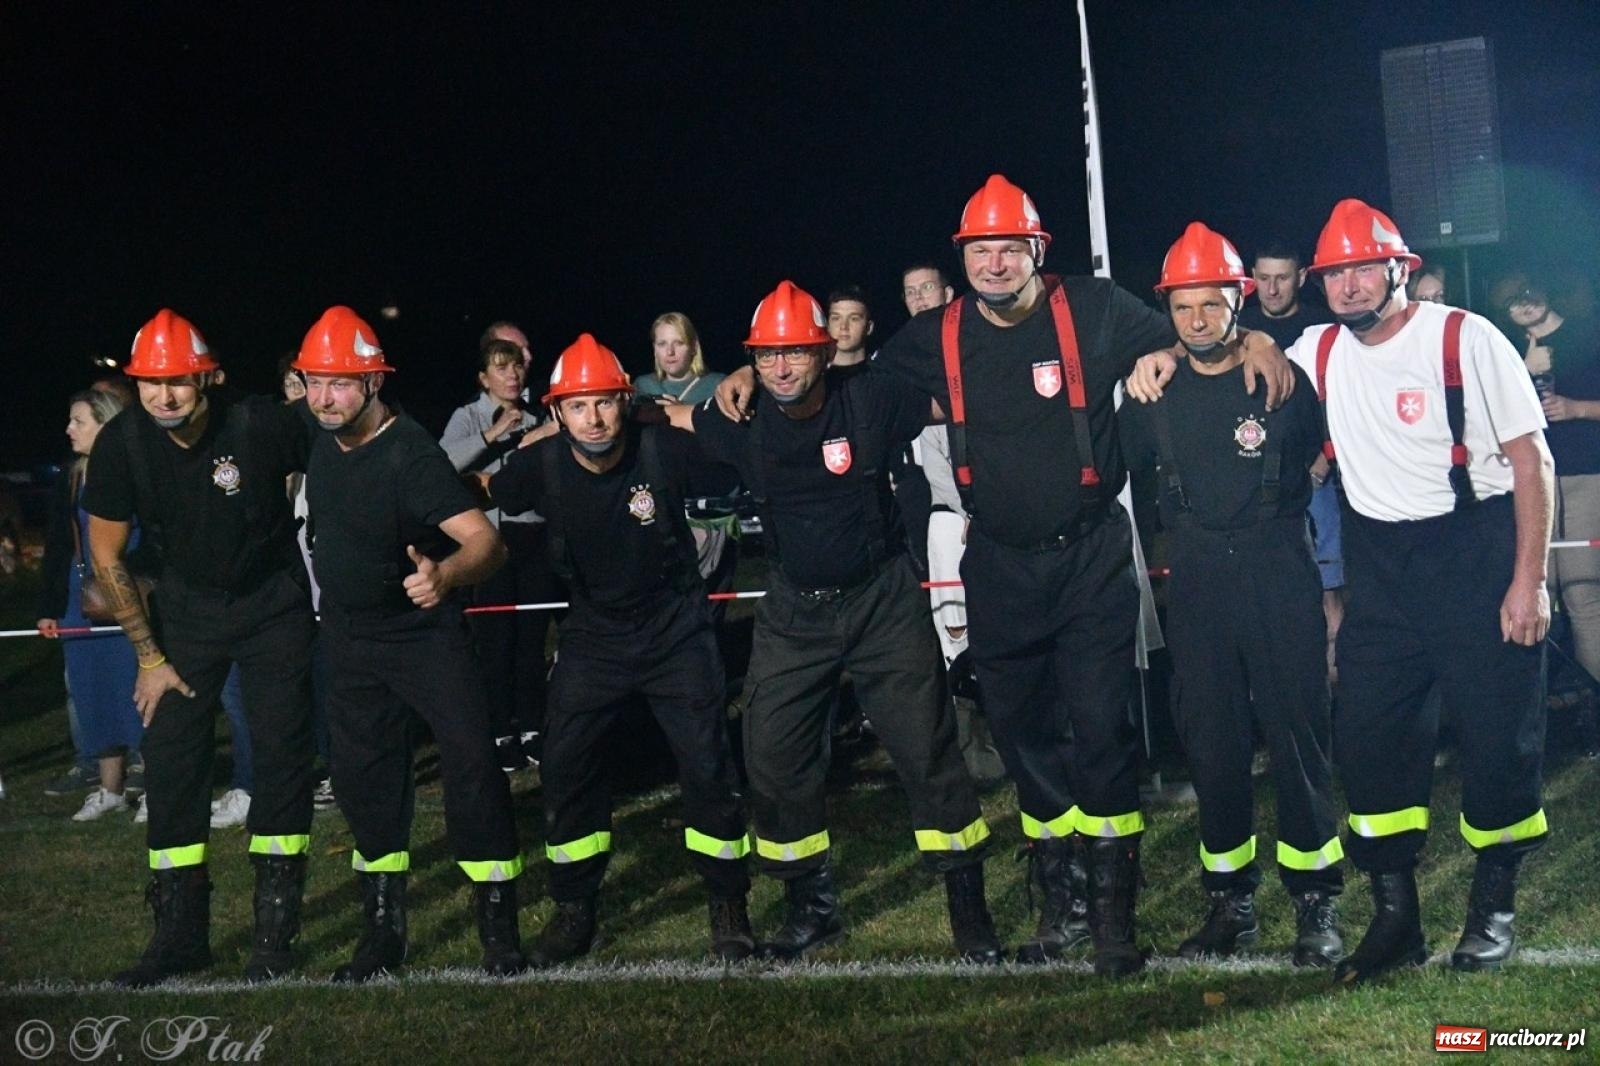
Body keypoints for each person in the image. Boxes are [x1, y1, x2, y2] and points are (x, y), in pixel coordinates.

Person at [817, 174, 1291, 977]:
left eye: (1010, 249)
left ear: (1039, 250)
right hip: (996, 563)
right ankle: (1060, 900)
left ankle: (1112, 918)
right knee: (1022, 733)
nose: (994, 264)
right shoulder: (937, 334)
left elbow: (1188, 336)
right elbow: (856, 383)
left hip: (1089, 558)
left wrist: (1256, 340)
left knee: (1102, 730)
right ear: (962, 256)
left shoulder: (1098, 308)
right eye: (979, 250)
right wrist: (743, 388)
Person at [1134, 201, 1554, 983]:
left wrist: (1527, 584)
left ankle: (1492, 909)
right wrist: (1176, 351)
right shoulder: (1317, 348)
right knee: (1370, 744)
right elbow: (1231, 344)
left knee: (1499, 738)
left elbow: (1533, 464)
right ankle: (1397, 922)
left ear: (1399, 270)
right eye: (1338, 275)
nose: (1352, 286)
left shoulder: (1466, 337)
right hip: (1382, 569)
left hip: (1476, 551)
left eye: (1366, 269)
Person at [682, 280, 1002, 964]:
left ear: (826, 353)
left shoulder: (873, 399)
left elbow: (954, 394)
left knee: (927, 750)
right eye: (766, 357)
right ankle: (811, 908)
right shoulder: (737, 419)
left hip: (882, 600)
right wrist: (724, 382)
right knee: (771, 755)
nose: (781, 368)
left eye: (795, 352)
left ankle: (969, 912)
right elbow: (664, 418)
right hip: (794, 611)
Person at [485, 333, 753, 965]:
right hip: (592, 637)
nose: (594, 419)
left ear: (626, 403)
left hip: (675, 632)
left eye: (606, 403)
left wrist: (706, 402)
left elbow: (742, 457)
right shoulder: (540, 465)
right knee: (567, 764)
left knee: (707, 765)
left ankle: (727, 903)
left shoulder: (663, 450)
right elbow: (474, 493)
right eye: (577, 407)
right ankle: (575, 907)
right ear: (556, 414)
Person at [1118, 223, 1343, 967]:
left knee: (1296, 737)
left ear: (1238, 301)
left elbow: (1326, 445)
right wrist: (1147, 365)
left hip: (1277, 572)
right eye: (1183, 310)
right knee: (1211, 745)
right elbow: (1113, 461)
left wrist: (1265, 348)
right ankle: (1231, 905)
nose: (1197, 322)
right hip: (1199, 581)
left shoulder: (1281, 376)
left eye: (1211, 306)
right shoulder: (1150, 390)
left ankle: (1315, 906)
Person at [84, 309, 317, 986]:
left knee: (280, 757)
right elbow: (106, 555)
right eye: (151, 382)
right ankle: (179, 937)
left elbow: (348, 438)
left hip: (273, 606)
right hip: (184, 618)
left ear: (206, 375)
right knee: (172, 763)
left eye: (179, 380)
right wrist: (149, 656)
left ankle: (274, 936)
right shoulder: (123, 444)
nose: (165, 394)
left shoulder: (259, 422)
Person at [295, 305, 526, 981]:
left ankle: (498, 927)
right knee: (366, 787)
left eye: (340, 383)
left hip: (424, 640)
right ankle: (381, 933)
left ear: (372, 384)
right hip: (349, 642)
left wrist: (446, 575)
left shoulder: (411, 454)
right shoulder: (321, 441)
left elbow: (488, 542)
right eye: (314, 381)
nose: (323, 397)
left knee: (473, 772)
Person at [898, 262, 1006, 787]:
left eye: (927, 289)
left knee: (1005, 625)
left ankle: (1011, 733)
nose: (920, 299)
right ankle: (970, 749)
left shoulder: (978, 338)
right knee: (952, 631)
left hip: (996, 514)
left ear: (948, 293)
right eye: (910, 293)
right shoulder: (905, 357)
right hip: (946, 519)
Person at [440, 337, 561, 772]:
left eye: (516, 368)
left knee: (531, 640)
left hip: (532, 538)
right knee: (495, 643)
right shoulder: (467, 416)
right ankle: (499, 731)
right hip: (489, 544)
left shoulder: (539, 418)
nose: (512, 375)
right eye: (501, 367)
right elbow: (441, 463)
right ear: (483, 378)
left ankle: (531, 728)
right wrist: (493, 434)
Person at [37, 389, 147, 821]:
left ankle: (156, 788)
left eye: (78, 421)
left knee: (135, 694)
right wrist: (51, 605)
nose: (69, 430)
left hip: (124, 597)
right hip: (80, 598)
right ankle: (109, 789)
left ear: (106, 425)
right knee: (92, 694)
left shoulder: (133, 472)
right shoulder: (73, 476)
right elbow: (59, 545)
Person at [1241, 241, 1344, 679]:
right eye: (1263, 278)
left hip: (1316, 478)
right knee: (1265, 596)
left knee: (1329, 593)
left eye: (1282, 278)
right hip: (1255, 480)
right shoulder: (1237, 325)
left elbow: (1343, 397)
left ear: (1301, 277)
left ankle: (1335, 698)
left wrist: (1325, 455)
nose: (1272, 288)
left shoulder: (1325, 324)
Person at [1495, 274, 1600, 692]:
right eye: (1511, 303)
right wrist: (1524, 368)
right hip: (1525, 481)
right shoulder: (1505, 349)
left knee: (1581, 594)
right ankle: (1546, 701)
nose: (1522, 307)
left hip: (1582, 475)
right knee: (1538, 596)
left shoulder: (1587, 336)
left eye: (1527, 296)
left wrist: (1576, 409)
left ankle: (1592, 702)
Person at [635, 312, 726, 405]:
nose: (670, 352)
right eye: (662, 344)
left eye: (678, 343)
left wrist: (679, 411)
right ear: (654, 349)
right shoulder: (644, 386)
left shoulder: (717, 384)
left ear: (693, 347)